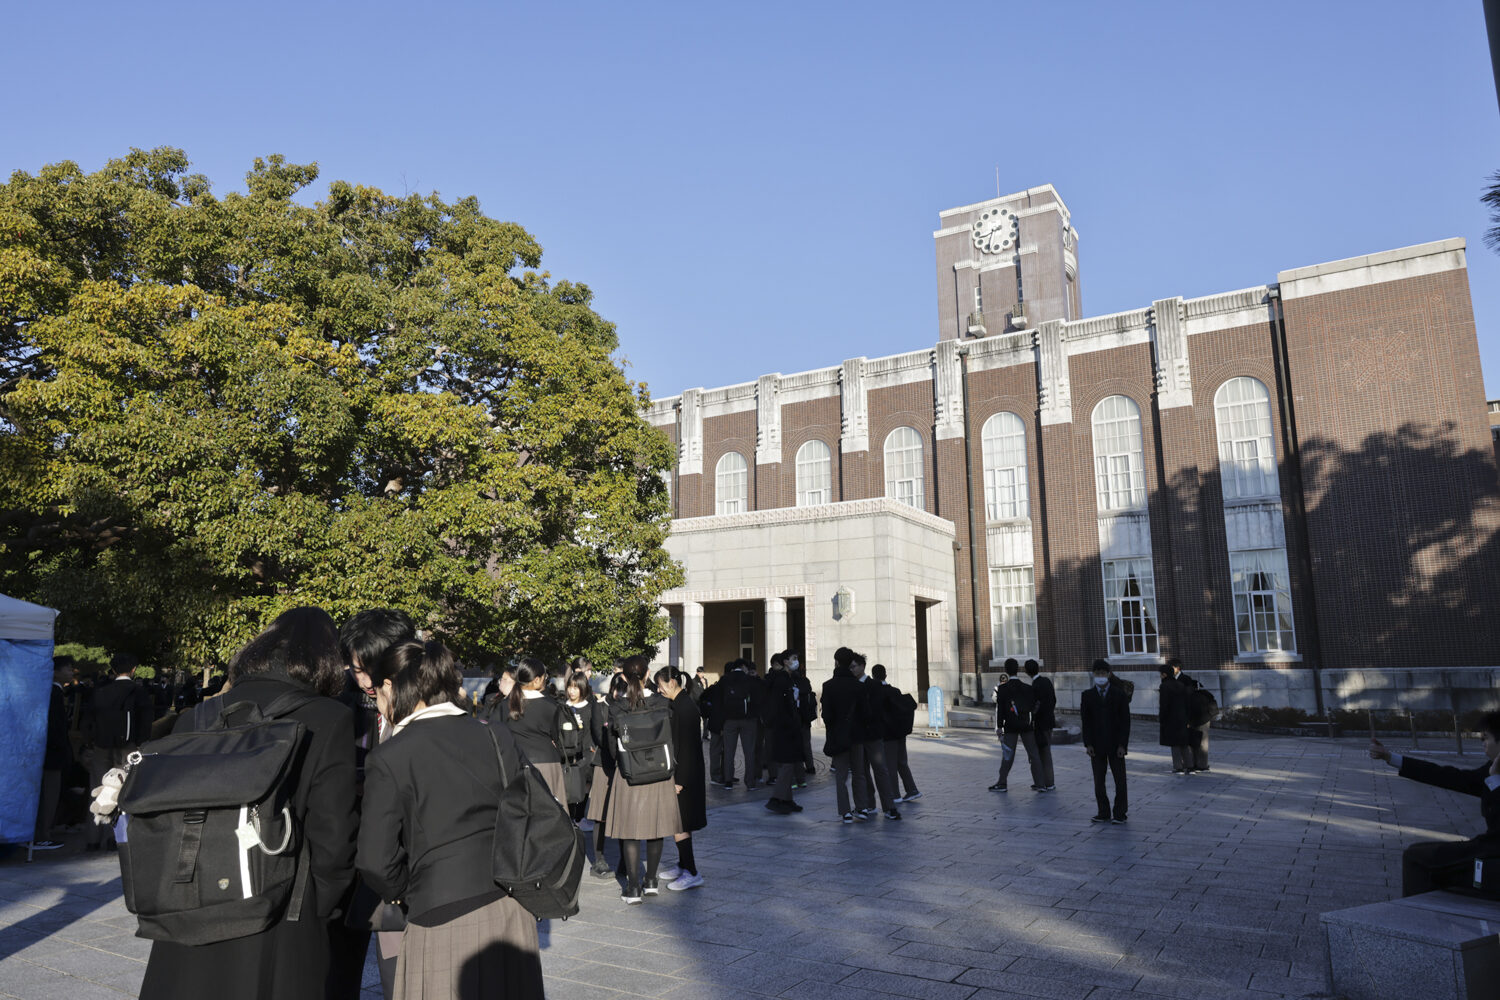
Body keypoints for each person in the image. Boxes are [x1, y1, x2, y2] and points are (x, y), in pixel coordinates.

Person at [138, 607, 358, 1000]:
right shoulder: (329, 718)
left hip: (192, 901)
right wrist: (320, 908)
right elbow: (334, 834)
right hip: (281, 907)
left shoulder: (198, 716)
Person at [358, 639, 545, 999]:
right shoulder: (495, 733)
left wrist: (406, 890)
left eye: (375, 694)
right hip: (510, 908)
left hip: (440, 913)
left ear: (390, 687)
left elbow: (374, 860)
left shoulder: (391, 755)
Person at [332, 609, 416, 1000]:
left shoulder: (423, 716)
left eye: (369, 670)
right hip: (360, 854)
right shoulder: (349, 706)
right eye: (354, 669)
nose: (363, 680)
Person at [1371, 714, 1500, 897]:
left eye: (1486, 738)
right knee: (1416, 852)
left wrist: (1495, 780)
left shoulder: (1494, 773)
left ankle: (1418, 920)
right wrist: (1390, 757)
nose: (1482, 744)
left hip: (1492, 857)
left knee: (1417, 860)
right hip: (1488, 850)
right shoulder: (1491, 769)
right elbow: (1450, 776)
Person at [606, 655, 682, 903]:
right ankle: (651, 881)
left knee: (629, 830)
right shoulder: (662, 702)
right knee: (656, 826)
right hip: (660, 771)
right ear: (648, 674)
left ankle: (633, 887)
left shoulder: (617, 707)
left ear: (624, 677)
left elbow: (610, 746)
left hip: (630, 771)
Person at [84, 652, 154, 851]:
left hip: (100, 745)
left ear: (113, 670)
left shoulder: (100, 692)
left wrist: (90, 742)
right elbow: (145, 721)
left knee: (98, 786)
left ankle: (93, 836)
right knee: (124, 787)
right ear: (133, 670)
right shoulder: (137, 692)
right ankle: (117, 837)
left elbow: (88, 720)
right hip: (129, 746)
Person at [654, 666, 707, 889]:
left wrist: (680, 781)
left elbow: (687, 748)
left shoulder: (685, 708)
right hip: (684, 773)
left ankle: (692, 871)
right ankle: (683, 864)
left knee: (680, 824)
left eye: (661, 685)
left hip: (686, 776)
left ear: (672, 683)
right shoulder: (679, 704)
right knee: (679, 823)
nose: (659, 689)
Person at [495, 658, 568, 805]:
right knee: (550, 814)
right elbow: (558, 736)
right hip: (547, 762)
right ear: (536, 680)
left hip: (516, 763)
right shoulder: (551, 705)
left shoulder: (504, 705)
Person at [1080, 659, 1131, 824]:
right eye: (1097, 674)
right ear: (1094, 675)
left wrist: (1123, 744)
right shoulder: (1087, 695)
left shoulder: (1119, 694)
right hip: (1096, 744)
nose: (1100, 677)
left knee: (1120, 781)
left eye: (1103, 673)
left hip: (1116, 744)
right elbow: (1085, 722)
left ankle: (1120, 812)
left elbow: (1125, 721)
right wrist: (1088, 744)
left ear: (1108, 674)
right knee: (1098, 781)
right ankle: (1103, 811)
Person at [32, 655, 75, 850]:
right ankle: (43, 834)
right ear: (55, 671)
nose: (71, 672)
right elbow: (56, 727)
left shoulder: (49, 692)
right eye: (67, 669)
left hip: (47, 752)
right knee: (49, 794)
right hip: (52, 754)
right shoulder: (54, 694)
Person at [853, 654, 901, 820]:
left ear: (862, 666)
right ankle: (869, 804)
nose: (852, 670)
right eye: (850, 667)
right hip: (858, 736)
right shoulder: (851, 685)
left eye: (854, 666)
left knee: (880, 770)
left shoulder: (874, 686)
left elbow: (877, 711)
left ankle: (889, 807)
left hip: (873, 735)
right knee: (862, 771)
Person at [821, 648, 865, 824]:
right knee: (859, 772)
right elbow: (865, 713)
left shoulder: (828, 686)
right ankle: (861, 808)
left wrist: (833, 728)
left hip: (839, 735)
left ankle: (845, 812)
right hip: (857, 735)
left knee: (841, 775)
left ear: (836, 662)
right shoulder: (859, 686)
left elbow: (827, 715)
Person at [989, 659, 1043, 794]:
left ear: (1006, 670)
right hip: (1026, 725)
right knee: (1034, 754)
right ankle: (1040, 783)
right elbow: (1033, 705)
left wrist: (999, 726)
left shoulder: (1002, 689)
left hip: (1011, 726)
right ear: (1018, 670)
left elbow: (1000, 709)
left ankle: (1002, 783)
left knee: (1008, 754)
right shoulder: (1027, 688)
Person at [762, 653, 806, 815]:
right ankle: (777, 799)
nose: (796, 661)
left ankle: (787, 799)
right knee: (787, 764)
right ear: (785, 662)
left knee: (790, 763)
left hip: (788, 726)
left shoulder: (788, 678)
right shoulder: (781, 680)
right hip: (784, 728)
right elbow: (779, 706)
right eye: (793, 658)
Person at [871, 663, 920, 802]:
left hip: (887, 735)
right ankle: (912, 790)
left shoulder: (877, 693)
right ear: (885, 675)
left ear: (873, 676)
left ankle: (895, 795)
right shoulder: (895, 690)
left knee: (890, 765)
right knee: (902, 762)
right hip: (900, 733)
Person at [561, 669, 597, 823]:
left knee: (584, 784)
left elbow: (592, 730)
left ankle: (580, 816)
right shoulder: (562, 707)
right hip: (566, 752)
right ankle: (569, 816)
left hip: (585, 752)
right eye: (570, 687)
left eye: (576, 687)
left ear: (583, 688)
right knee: (568, 784)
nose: (572, 691)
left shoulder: (589, 708)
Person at [719, 659, 761, 789]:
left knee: (729, 751)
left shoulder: (725, 679)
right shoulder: (749, 679)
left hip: (729, 720)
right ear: (743, 667)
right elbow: (757, 699)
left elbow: (719, 700)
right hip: (748, 720)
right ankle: (750, 782)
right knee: (749, 751)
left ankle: (728, 781)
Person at [1171, 658, 1213, 772]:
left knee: (1199, 740)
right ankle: (1189, 764)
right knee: (1189, 740)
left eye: (1171, 667)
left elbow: (1189, 700)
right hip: (1181, 714)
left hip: (1195, 714)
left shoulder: (1186, 679)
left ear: (1177, 668)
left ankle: (1201, 765)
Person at [1024, 659, 1057, 791]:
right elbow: (1054, 699)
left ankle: (1043, 782)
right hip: (1049, 721)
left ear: (1027, 672)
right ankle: (1049, 782)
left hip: (1039, 724)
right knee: (1047, 752)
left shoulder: (1035, 686)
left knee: (1040, 753)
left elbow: (1034, 707)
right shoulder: (1047, 681)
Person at [1158, 664, 1192, 775]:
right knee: (1184, 742)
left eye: (1161, 674)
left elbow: (1164, 705)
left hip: (1171, 717)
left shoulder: (1164, 686)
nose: (1160, 676)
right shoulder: (1180, 685)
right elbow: (1187, 703)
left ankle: (1178, 766)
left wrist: (1162, 718)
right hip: (1182, 717)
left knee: (1174, 743)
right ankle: (1189, 765)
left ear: (1165, 674)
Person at [699, 668, 726, 785]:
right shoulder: (721, 689)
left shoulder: (714, 688)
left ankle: (722, 774)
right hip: (719, 723)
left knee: (718, 750)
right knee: (718, 750)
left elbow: (702, 698)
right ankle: (717, 776)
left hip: (715, 723)